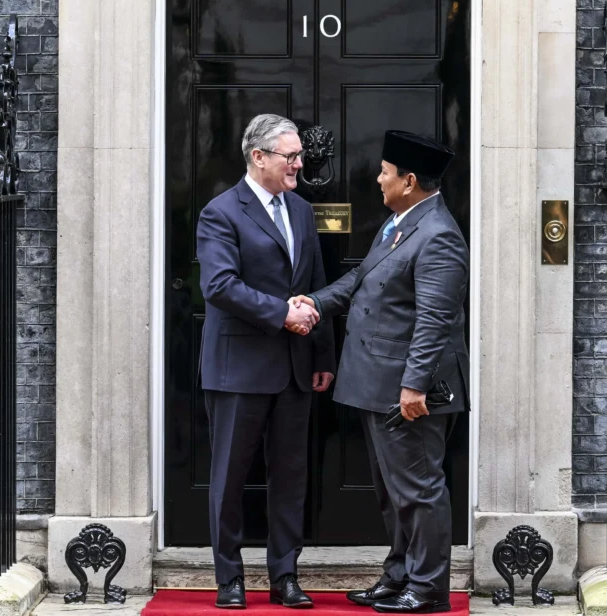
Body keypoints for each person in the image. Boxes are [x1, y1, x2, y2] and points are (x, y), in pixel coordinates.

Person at [290, 130, 467, 615]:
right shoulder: (399, 224)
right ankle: (398, 577)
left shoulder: (438, 235)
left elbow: (434, 320)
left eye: (386, 172)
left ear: (409, 181)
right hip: (377, 383)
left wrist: (415, 386)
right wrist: (315, 302)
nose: (378, 178)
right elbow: (359, 279)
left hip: (407, 390)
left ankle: (428, 589)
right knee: (394, 493)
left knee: (418, 491)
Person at [197, 114, 336, 610]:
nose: (301, 163)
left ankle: (285, 576)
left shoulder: (300, 209)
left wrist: (322, 352)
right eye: (291, 156)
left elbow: (316, 280)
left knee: (290, 476)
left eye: (299, 155)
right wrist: (281, 314)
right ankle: (229, 578)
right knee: (230, 477)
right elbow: (218, 286)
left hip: (297, 367)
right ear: (259, 157)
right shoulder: (220, 212)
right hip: (239, 367)